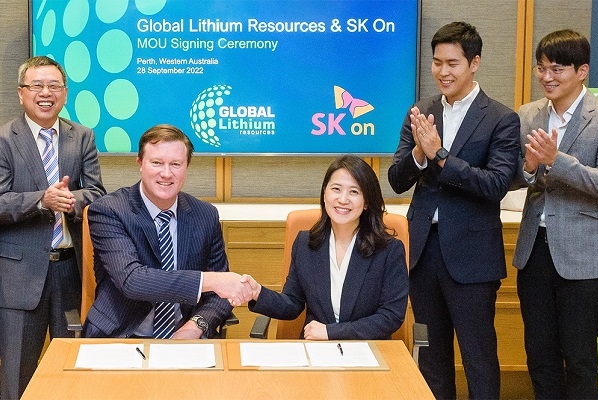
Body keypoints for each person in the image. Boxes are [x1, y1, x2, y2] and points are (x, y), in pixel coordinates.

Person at [388, 21, 520, 399]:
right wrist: (419, 153)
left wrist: (441, 156)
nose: (442, 72)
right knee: (431, 356)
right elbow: (397, 180)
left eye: (452, 63)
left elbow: (495, 185)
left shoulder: (500, 118)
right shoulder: (420, 111)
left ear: (474, 63)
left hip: (472, 257)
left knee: (479, 357)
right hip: (422, 252)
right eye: (437, 63)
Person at [83, 124, 252, 340]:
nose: (166, 173)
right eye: (156, 163)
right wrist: (210, 281)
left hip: (185, 339)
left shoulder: (205, 215)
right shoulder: (109, 210)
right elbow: (132, 281)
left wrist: (196, 326)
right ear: (140, 163)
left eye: (175, 164)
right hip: (121, 336)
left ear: (186, 167)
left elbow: (220, 295)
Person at [0, 55, 106, 399]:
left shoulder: (82, 136)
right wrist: (42, 200)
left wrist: (69, 200)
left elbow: (97, 193)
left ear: (65, 93)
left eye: (54, 86)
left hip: (70, 272)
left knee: (73, 371)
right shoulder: (4, 139)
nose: (46, 93)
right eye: (37, 85)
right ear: (21, 93)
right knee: (16, 377)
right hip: (19, 277)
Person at [512, 29, 598, 400]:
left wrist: (556, 161)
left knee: (579, 359)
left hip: (584, 258)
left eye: (557, 69)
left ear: (582, 71)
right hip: (534, 251)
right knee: (540, 356)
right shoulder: (528, 115)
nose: (547, 77)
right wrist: (529, 167)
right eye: (541, 68)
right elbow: (515, 175)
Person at [242, 155, 409, 340]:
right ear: (324, 194)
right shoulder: (305, 243)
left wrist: (331, 332)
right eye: (336, 189)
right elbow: (292, 303)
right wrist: (257, 293)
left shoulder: (389, 250)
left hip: (367, 348)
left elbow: (391, 316)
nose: (343, 199)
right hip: (316, 349)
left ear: (367, 202)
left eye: (354, 192)